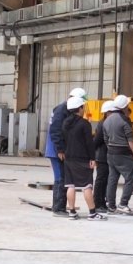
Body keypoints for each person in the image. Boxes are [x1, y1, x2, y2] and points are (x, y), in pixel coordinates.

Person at [62, 96, 106, 221]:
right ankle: (92, 213)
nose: (84, 109)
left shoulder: (65, 123)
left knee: (70, 185)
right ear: (79, 108)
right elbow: (89, 143)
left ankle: (72, 212)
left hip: (69, 158)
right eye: (83, 107)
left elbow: (63, 140)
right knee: (87, 185)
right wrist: (92, 158)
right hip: (82, 158)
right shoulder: (84, 124)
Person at [46, 87, 86, 217]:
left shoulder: (65, 109)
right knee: (60, 178)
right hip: (56, 150)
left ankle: (58, 207)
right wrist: (60, 149)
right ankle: (58, 209)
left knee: (63, 178)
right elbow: (55, 131)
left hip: (60, 148)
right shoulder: (62, 110)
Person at [104, 94, 133, 215]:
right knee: (130, 178)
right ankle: (123, 204)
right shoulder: (125, 120)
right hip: (124, 153)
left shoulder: (107, 120)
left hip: (111, 152)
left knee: (112, 179)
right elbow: (130, 139)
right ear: (125, 106)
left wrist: (111, 148)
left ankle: (110, 205)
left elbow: (106, 139)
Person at [92, 100, 114, 213]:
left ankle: (102, 203)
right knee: (101, 180)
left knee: (105, 180)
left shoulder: (107, 122)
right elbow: (97, 140)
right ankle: (97, 203)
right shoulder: (103, 124)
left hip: (105, 155)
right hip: (102, 156)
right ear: (107, 112)